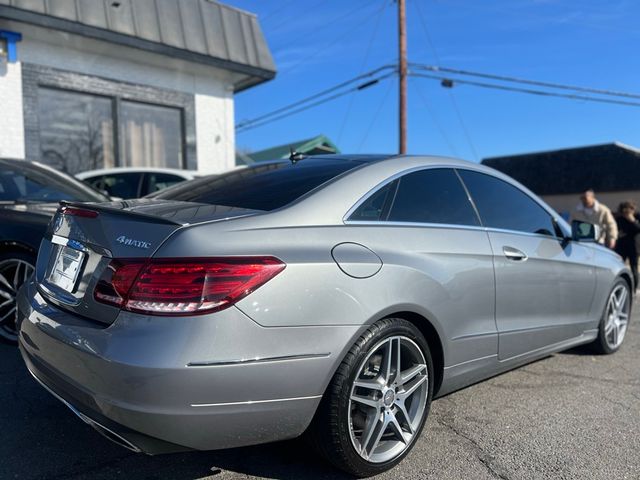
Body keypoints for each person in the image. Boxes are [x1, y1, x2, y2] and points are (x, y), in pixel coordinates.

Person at [615, 200, 640, 289]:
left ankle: (634, 288)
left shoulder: (637, 217)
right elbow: (616, 229)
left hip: (634, 246)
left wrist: (632, 220)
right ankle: (619, 285)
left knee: (634, 268)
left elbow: (638, 228)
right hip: (621, 246)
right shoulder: (619, 218)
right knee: (618, 266)